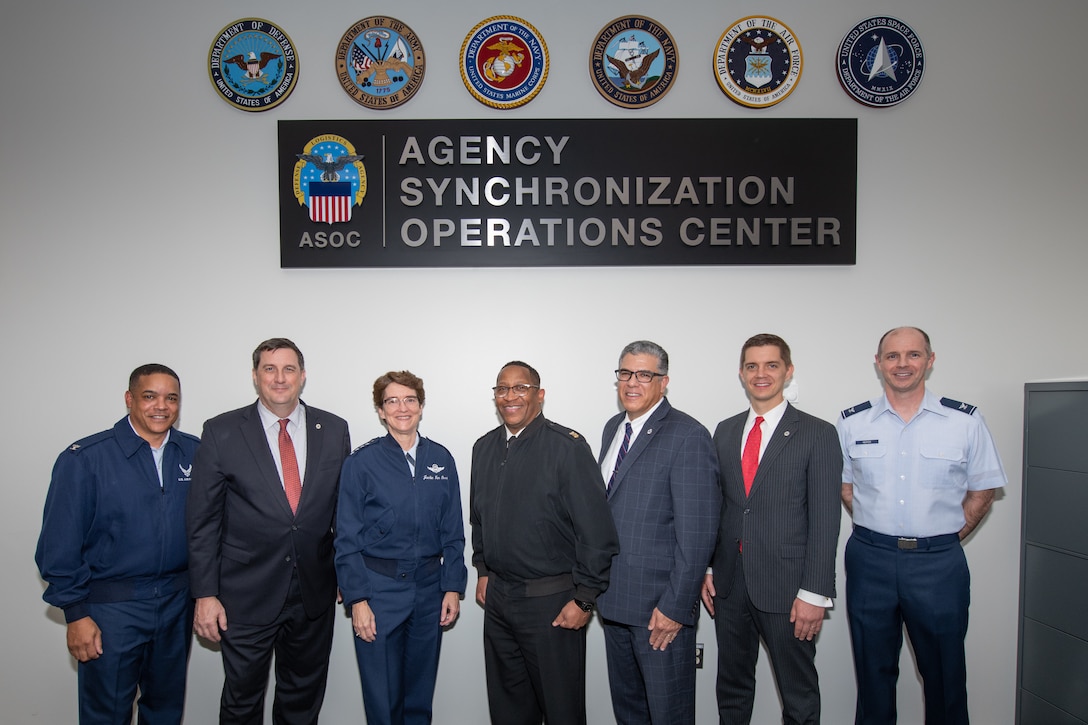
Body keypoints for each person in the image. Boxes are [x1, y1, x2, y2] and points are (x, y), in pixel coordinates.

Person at [837, 326, 1005, 725]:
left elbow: (983, 490)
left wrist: (943, 538)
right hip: (870, 561)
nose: (902, 364)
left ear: (930, 360)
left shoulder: (964, 421)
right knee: (873, 675)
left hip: (937, 565)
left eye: (913, 355)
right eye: (892, 356)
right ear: (878, 364)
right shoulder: (853, 422)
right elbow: (847, 488)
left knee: (945, 675)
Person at [187, 338, 350, 724]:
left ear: (303, 376)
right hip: (244, 593)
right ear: (256, 376)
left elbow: (344, 512)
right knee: (242, 699)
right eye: (270, 369)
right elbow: (202, 520)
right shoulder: (221, 430)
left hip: (313, 591)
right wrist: (205, 594)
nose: (280, 378)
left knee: (302, 698)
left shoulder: (334, 429)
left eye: (289, 369)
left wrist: (348, 574)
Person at [35, 363, 200, 724]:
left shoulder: (195, 454)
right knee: (106, 712)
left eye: (171, 398)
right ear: (129, 399)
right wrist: (76, 614)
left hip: (176, 603)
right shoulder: (86, 459)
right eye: (150, 396)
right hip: (111, 609)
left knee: (165, 709)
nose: (161, 406)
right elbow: (58, 545)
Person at [700, 334, 842, 725]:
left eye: (771, 365)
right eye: (752, 366)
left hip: (789, 587)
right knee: (731, 687)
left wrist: (816, 592)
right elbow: (721, 507)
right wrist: (711, 567)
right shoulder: (725, 431)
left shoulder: (818, 433)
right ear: (742, 374)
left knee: (798, 695)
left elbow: (827, 520)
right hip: (729, 585)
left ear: (787, 370)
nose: (761, 374)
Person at [470, 360, 620, 725]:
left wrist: (585, 597)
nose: (510, 396)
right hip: (500, 601)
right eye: (502, 389)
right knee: (508, 709)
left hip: (551, 603)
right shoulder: (484, 447)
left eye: (519, 388)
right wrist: (484, 569)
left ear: (539, 394)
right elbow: (480, 518)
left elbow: (597, 531)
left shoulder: (566, 447)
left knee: (561, 710)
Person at [596, 340, 720, 724]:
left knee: (669, 715)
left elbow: (697, 534)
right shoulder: (613, 427)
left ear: (663, 382)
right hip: (614, 602)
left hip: (658, 612)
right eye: (625, 373)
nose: (632, 383)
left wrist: (675, 607)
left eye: (644, 374)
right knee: (630, 713)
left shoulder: (688, 436)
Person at [335, 370, 467, 725]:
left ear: (421, 406)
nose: (402, 407)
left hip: (429, 590)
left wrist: (452, 586)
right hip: (379, 591)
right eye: (392, 401)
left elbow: (454, 531)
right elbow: (345, 539)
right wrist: (357, 600)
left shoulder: (441, 459)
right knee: (383, 697)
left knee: (419, 695)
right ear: (380, 411)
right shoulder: (360, 464)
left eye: (409, 399)